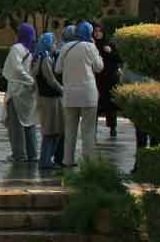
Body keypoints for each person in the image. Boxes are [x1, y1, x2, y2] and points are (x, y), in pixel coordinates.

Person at [55, 20, 104, 166]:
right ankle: (88, 161)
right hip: (88, 94)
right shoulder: (90, 47)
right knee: (88, 130)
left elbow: (57, 69)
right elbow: (99, 67)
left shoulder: (66, 47)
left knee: (70, 129)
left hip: (70, 94)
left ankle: (67, 160)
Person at [0, 23, 39, 163]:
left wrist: (28, 80)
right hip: (30, 92)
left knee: (16, 125)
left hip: (17, 91)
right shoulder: (34, 49)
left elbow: (16, 69)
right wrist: (32, 82)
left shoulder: (17, 48)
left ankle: (18, 155)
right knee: (29, 123)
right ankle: (32, 154)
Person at [34, 31, 65, 169]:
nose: (55, 45)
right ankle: (45, 160)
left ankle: (47, 159)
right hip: (49, 99)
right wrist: (62, 89)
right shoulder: (45, 59)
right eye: (53, 43)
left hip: (49, 98)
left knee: (54, 129)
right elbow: (50, 79)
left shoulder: (45, 57)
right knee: (50, 130)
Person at [93, 23, 122, 138]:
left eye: (100, 31)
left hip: (110, 79)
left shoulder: (109, 44)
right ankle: (92, 128)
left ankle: (113, 128)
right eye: (95, 31)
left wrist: (110, 52)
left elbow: (119, 58)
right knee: (95, 105)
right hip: (97, 79)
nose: (98, 33)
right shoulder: (91, 46)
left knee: (111, 105)